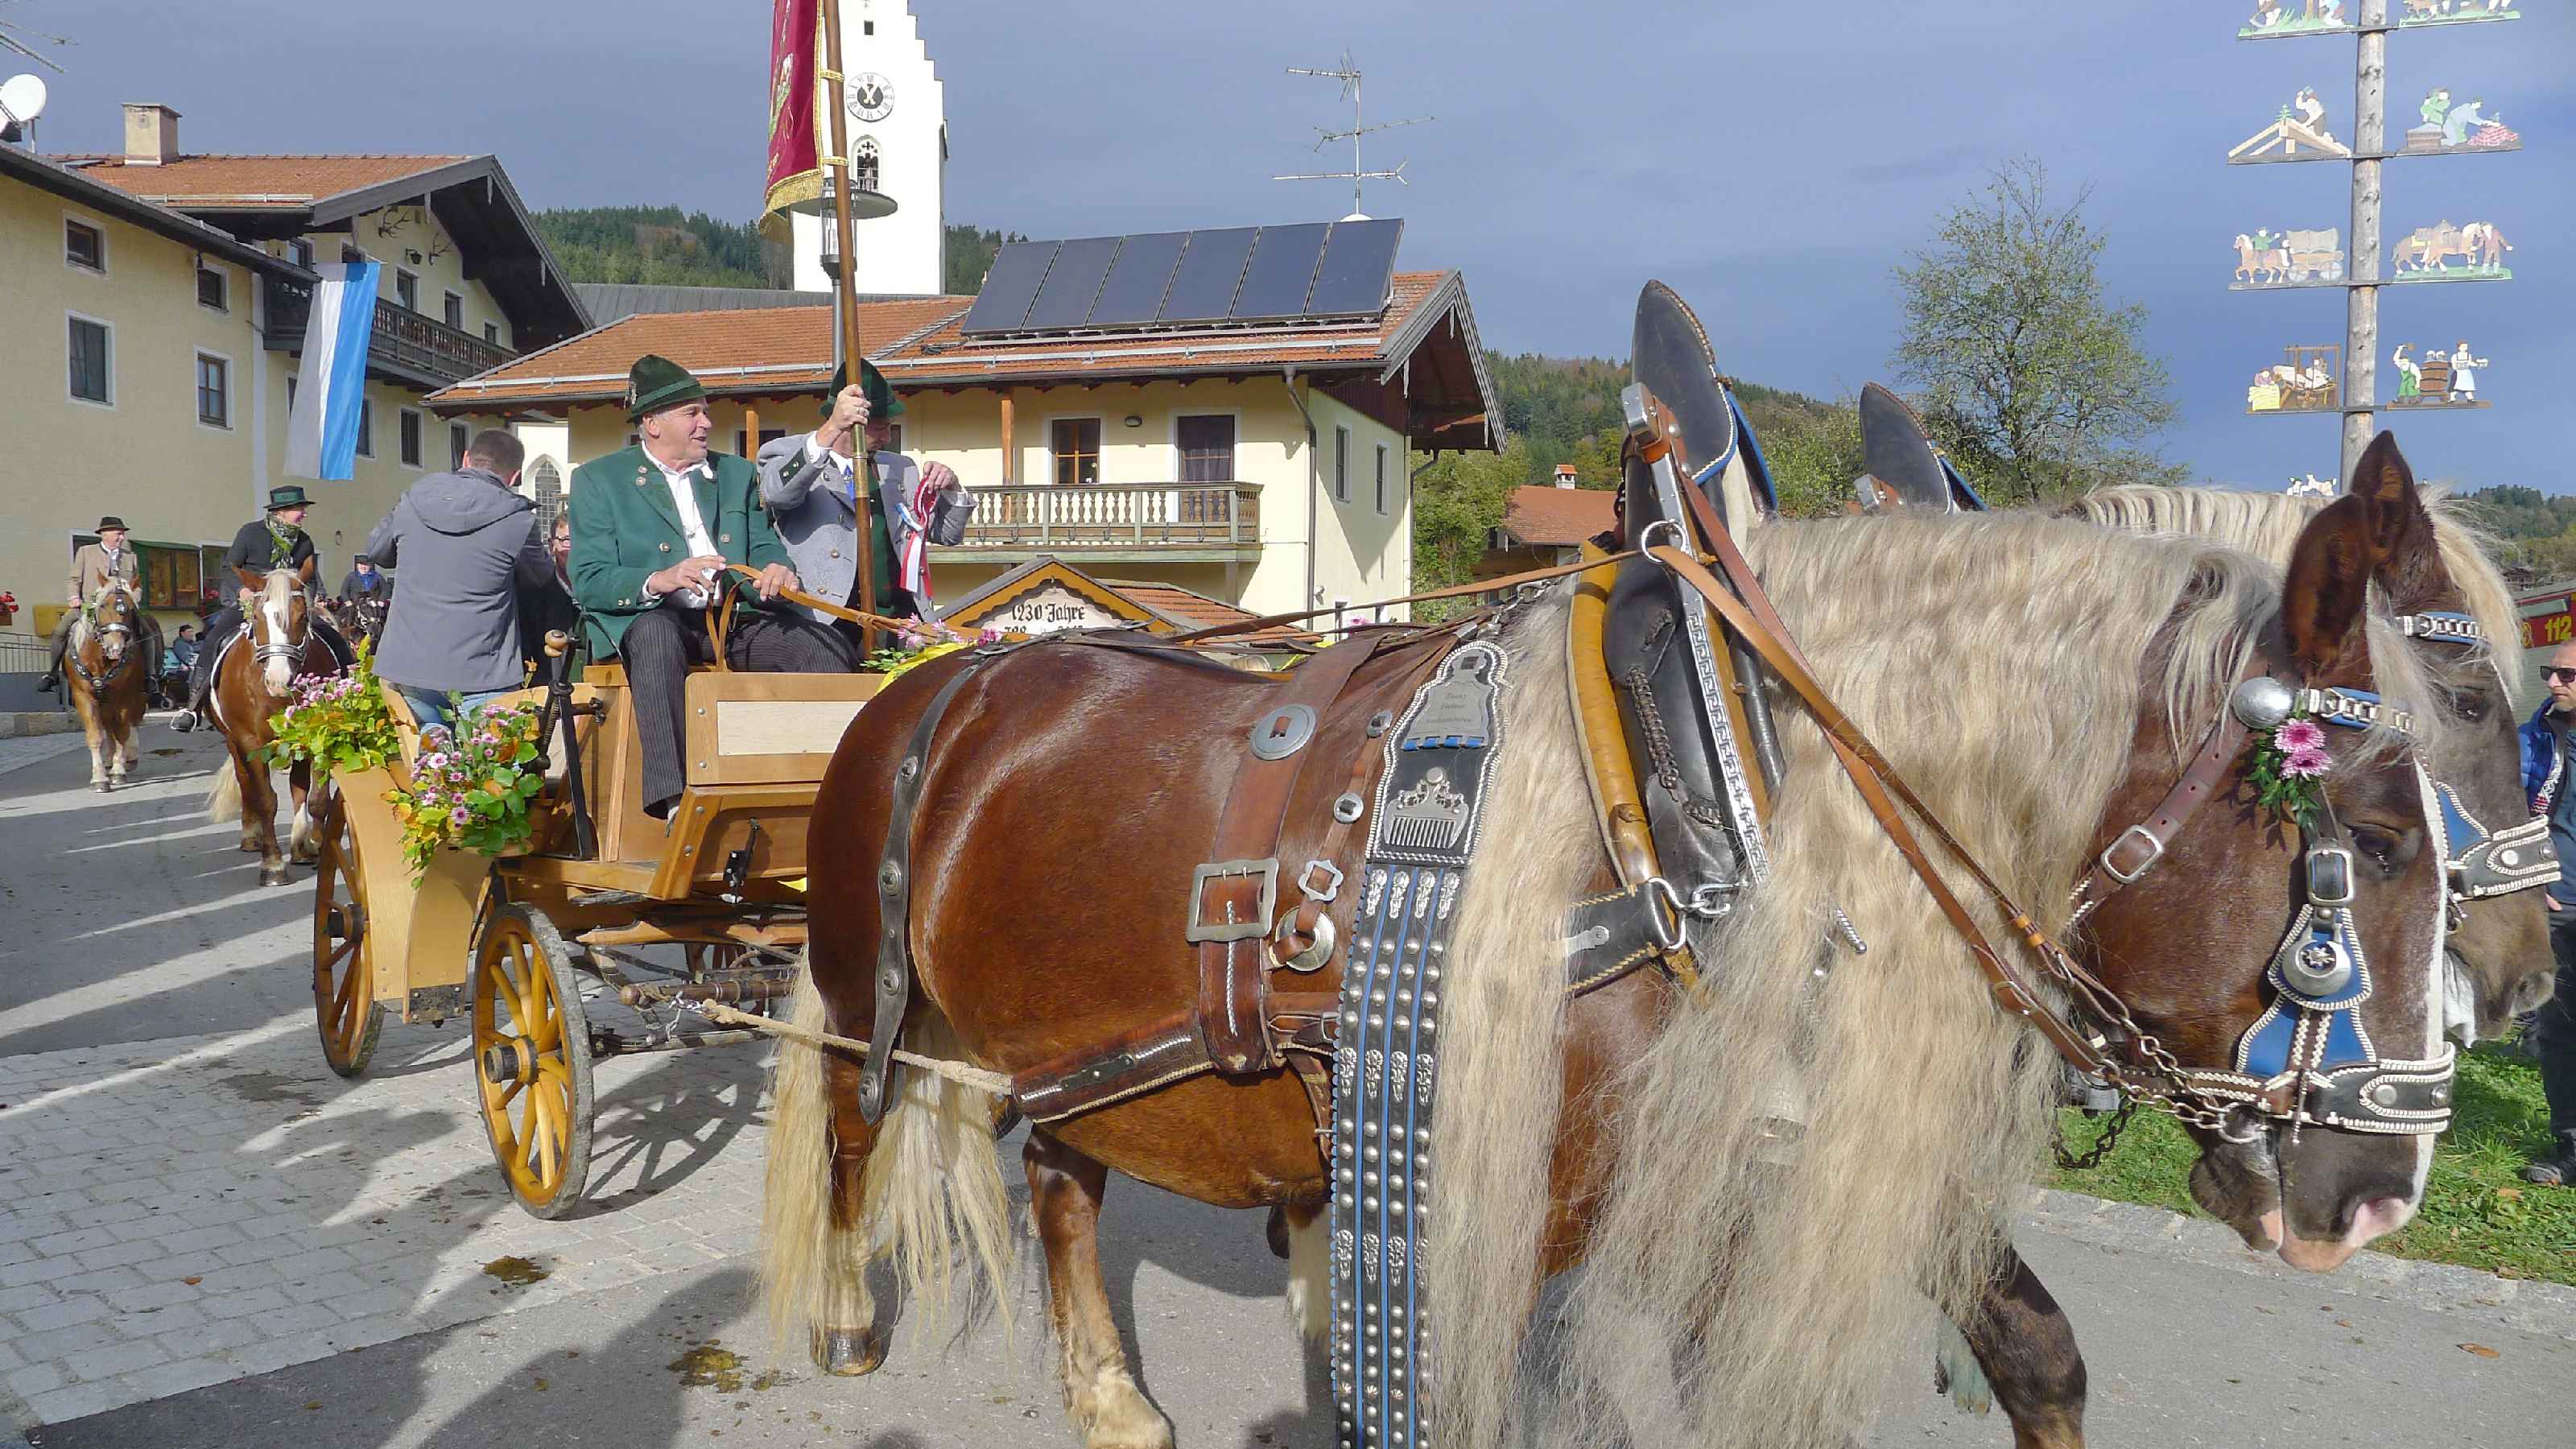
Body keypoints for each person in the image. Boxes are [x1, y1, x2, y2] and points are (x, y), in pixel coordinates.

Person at [569, 355, 845, 819]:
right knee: (656, 637)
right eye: (692, 413)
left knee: (823, 645)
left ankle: (824, 790)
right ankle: (676, 802)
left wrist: (777, 570)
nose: (706, 423)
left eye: (705, 412)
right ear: (652, 424)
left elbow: (764, 545)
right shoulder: (599, 480)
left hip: (733, 619)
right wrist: (660, 579)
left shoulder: (736, 473)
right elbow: (589, 578)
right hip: (653, 618)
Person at [755, 359, 956, 654]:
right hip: (826, 622)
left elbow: (948, 535)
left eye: (889, 427)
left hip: (901, 622)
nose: (887, 438)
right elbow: (777, 494)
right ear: (849, 424)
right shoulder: (787, 452)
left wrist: (952, 488)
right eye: (879, 429)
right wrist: (830, 429)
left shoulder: (900, 468)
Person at [365, 429, 555, 733]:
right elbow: (540, 579)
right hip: (483, 672)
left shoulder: (413, 498)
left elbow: (377, 551)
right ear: (515, 476)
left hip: (409, 667)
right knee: (486, 761)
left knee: (427, 756)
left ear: (466, 458)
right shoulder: (518, 519)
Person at [175, 485, 324, 731]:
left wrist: (311, 600)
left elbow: (312, 577)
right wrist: (241, 590)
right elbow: (228, 567)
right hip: (254, 602)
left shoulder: (304, 541)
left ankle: (345, 694)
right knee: (213, 639)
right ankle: (192, 707)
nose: (304, 514)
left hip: (291, 607)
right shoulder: (251, 533)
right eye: (300, 509)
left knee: (332, 638)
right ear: (282, 511)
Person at [2517, 642, 2576, 1185]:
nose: (2554, 683)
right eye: (2551, 672)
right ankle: (2571, 1148)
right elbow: (2497, 812)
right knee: (2560, 1031)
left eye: (2568, 675)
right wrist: (2530, 875)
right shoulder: (2531, 739)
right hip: (2557, 904)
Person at [41, 515, 161, 696]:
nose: (122, 538)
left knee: (148, 633)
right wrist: (74, 597)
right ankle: (52, 674)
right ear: (105, 534)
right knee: (60, 632)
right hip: (90, 606)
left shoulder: (130, 557)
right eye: (118, 534)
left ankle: (150, 676)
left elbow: (137, 585)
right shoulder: (86, 552)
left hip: (122, 608)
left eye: (122, 534)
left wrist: (134, 599)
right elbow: (74, 579)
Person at [516, 514, 580, 670]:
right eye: (567, 540)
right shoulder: (533, 603)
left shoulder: (601, 598)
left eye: (581, 540)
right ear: (552, 546)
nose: (574, 549)